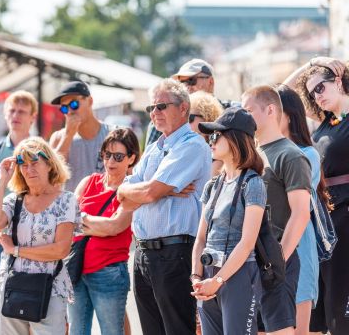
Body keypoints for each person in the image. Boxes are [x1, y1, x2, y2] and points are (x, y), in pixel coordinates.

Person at [119, 79, 212, 335]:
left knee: (177, 330)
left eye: (161, 106)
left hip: (175, 251)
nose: (154, 113)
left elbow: (148, 192)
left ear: (183, 108)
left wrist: (152, 190)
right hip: (144, 254)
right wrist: (156, 189)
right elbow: (123, 197)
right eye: (151, 107)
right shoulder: (152, 149)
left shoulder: (192, 145)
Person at [0, 137, 77, 335]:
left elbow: (60, 249)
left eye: (35, 163)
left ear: (50, 165)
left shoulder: (65, 200)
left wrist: (14, 250)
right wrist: (2, 181)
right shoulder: (14, 200)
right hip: (10, 287)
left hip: (49, 289)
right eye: (23, 165)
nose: (29, 169)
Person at [283, 57, 349, 334]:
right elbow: (282, 94)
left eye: (320, 88)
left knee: (340, 306)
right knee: (324, 309)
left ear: (338, 80)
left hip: (345, 217)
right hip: (324, 221)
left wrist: (339, 65)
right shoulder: (325, 122)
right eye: (311, 93)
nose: (315, 97)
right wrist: (312, 62)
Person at [241, 85, 312, 334]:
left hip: (276, 261)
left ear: (270, 110)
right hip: (251, 261)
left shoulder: (289, 155)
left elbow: (301, 213)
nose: (244, 116)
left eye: (248, 110)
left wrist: (277, 261)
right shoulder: (254, 154)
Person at [191, 107, 267, 335]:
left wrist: (219, 279)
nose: (210, 141)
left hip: (239, 275)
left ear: (236, 139)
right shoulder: (213, 185)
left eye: (216, 136)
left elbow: (247, 243)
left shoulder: (253, 183)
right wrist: (196, 276)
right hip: (207, 275)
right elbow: (201, 237)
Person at [68, 128, 140, 335]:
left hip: (109, 272)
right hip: (76, 268)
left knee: (111, 331)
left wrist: (82, 220)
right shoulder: (88, 182)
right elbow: (67, 219)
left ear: (131, 158)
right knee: (77, 331)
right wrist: (98, 226)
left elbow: (115, 226)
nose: (111, 162)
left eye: (118, 156)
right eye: (107, 155)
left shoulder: (131, 189)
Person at [276, 85, 323, 335]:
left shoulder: (307, 155)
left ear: (289, 115)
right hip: (267, 249)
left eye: (274, 110)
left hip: (299, 248)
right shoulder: (263, 154)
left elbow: (293, 205)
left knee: (298, 330)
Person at [0, 90, 38, 275]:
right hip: (2, 237)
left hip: (37, 236)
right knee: (3, 298)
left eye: (22, 111)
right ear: (5, 114)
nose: (16, 116)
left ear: (33, 117)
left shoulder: (43, 152)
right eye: (12, 110)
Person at [146, 59, 236, 146]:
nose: (186, 87)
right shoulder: (163, 118)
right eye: (181, 83)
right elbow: (151, 158)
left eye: (191, 81)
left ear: (210, 81)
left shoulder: (231, 113)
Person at [49, 80, 113, 192]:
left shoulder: (112, 134)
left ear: (90, 101)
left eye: (74, 104)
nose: (69, 111)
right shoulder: (58, 137)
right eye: (64, 108)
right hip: (72, 207)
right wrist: (68, 136)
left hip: (106, 206)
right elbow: (51, 176)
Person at [189, 92, 225, 177]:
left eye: (190, 118)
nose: (185, 122)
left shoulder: (216, 155)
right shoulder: (185, 146)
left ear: (207, 117)